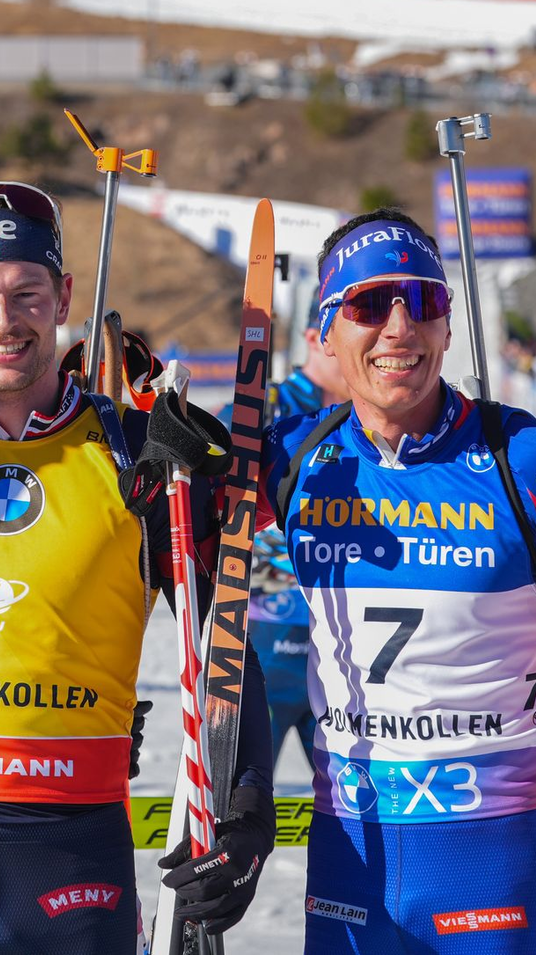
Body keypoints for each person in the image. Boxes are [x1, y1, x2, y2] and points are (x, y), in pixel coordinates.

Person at [0, 181, 276, 954]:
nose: (2, 321)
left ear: (64, 295)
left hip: (77, 857)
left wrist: (246, 813)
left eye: (26, 293)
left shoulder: (142, 454)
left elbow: (227, 637)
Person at [264, 207, 536, 953]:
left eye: (421, 301)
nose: (397, 327)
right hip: (348, 862)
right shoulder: (289, 458)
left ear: (447, 327)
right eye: (367, 302)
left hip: (496, 859)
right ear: (325, 330)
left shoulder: (520, 457)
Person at [223, 287, 349, 770]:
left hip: (343, 642)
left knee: (356, 809)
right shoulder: (267, 408)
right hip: (265, 637)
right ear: (314, 337)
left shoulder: (378, 422)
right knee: (240, 808)